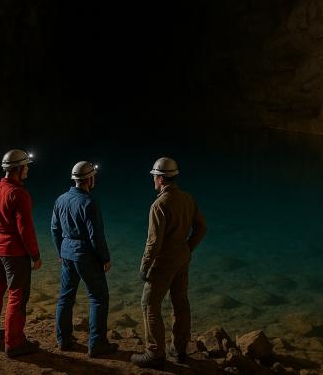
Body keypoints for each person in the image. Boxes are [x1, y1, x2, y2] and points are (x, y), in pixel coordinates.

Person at [130, 157, 207, 369]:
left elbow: (153, 242)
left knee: (150, 305)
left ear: (162, 178)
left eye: (155, 177)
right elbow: (201, 227)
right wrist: (188, 248)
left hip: (164, 262)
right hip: (182, 257)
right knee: (180, 303)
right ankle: (179, 349)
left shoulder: (159, 205)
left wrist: (145, 266)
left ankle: (154, 353)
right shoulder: (187, 199)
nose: (154, 180)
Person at [51, 161, 118, 358]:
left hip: (67, 254)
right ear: (89, 179)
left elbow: (55, 229)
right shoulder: (89, 202)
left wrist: (60, 252)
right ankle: (97, 344)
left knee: (65, 298)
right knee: (98, 298)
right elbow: (95, 235)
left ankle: (63, 340)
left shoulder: (60, 199)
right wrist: (105, 258)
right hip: (86, 255)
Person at [0, 149, 42, 357]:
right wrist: (35, 255)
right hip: (15, 253)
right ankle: (14, 343)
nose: (27, 170)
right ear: (18, 169)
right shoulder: (19, 194)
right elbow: (25, 229)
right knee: (16, 296)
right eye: (26, 167)